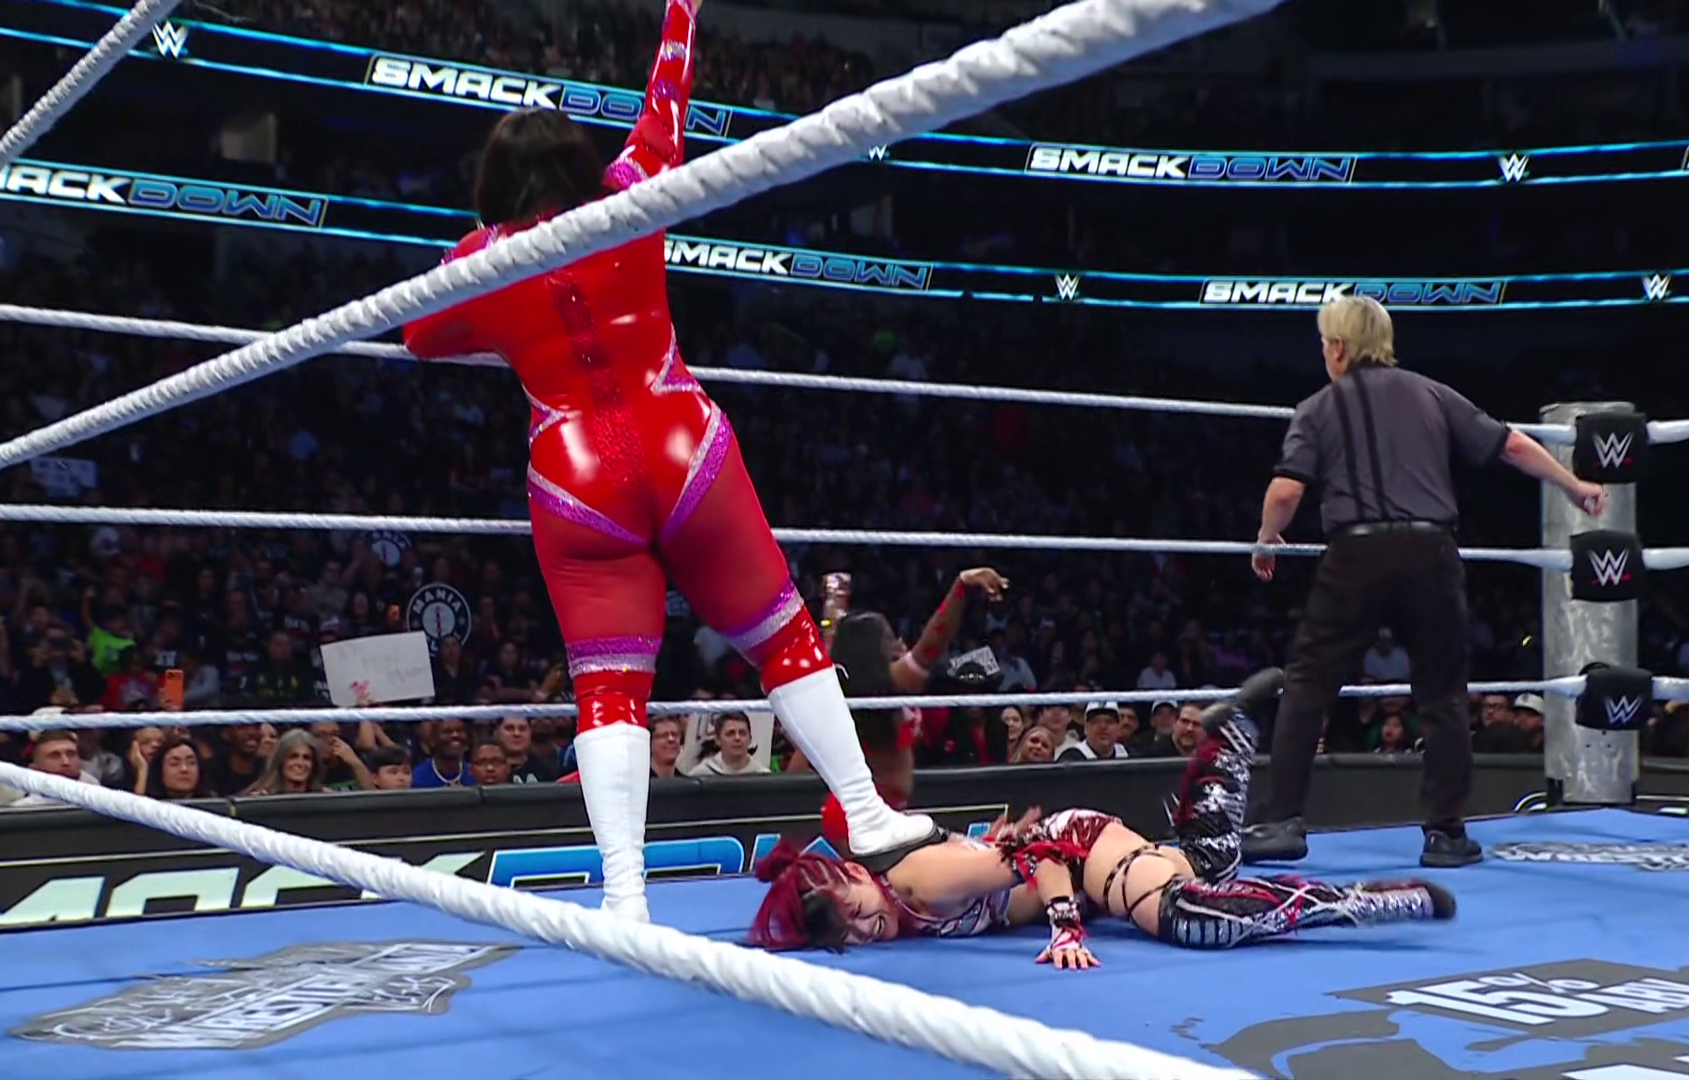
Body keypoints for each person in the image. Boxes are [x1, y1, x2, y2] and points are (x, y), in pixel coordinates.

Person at [400, 0, 930, 922]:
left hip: (574, 472)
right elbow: (664, 109)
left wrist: (502, 313)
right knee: (784, 638)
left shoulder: (482, 262)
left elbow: (418, 336)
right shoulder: (629, 194)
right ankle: (865, 808)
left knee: (609, 688)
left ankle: (625, 892)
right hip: (681, 440)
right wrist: (682, 9)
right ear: (576, 163)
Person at [1242, 295, 1607, 869]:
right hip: (1431, 552)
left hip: (1357, 553)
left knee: (1309, 684)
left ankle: (1280, 820)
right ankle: (1445, 834)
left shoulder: (1318, 406)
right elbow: (1512, 444)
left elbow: (1286, 491)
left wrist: (1266, 539)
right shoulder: (1431, 393)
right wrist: (1573, 486)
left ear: (1337, 348)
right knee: (1441, 693)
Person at [748, 670, 1454, 960]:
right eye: (852, 934)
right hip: (1077, 863)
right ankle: (1228, 741)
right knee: (1207, 865)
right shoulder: (902, 892)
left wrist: (1064, 928)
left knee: (1188, 917)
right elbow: (1002, 858)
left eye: (854, 910)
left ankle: (1368, 903)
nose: (867, 928)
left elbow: (1041, 854)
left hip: (1076, 854)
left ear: (850, 873)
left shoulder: (915, 883)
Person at [804, 568, 1007, 852]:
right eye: (888, 639)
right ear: (873, 651)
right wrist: (960, 586)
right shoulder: (890, 684)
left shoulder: (838, 684)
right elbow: (933, 643)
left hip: (857, 812)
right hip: (873, 816)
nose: (897, 643)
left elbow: (833, 634)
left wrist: (835, 597)